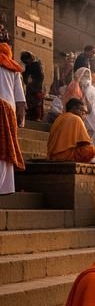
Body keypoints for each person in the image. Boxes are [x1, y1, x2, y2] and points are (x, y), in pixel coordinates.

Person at [0, 27, 26, 194]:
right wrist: (21, 118)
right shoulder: (14, 68)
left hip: (4, 109)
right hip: (9, 109)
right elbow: (20, 98)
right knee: (6, 148)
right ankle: (6, 187)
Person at [47, 98, 95, 163]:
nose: (83, 114)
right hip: (66, 155)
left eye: (85, 113)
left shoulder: (59, 118)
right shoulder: (76, 119)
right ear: (73, 109)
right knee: (91, 150)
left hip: (52, 155)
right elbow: (85, 144)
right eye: (82, 111)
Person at [19, 51, 45, 121]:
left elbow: (41, 77)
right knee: (30, 103)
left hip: (37, 87)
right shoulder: (28, 66)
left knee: (37, 103)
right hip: (31, 87)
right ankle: (30, 116)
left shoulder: (37, 65)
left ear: (30, 59)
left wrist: (36, 88)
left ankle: (37, 117)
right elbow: (25, 76)